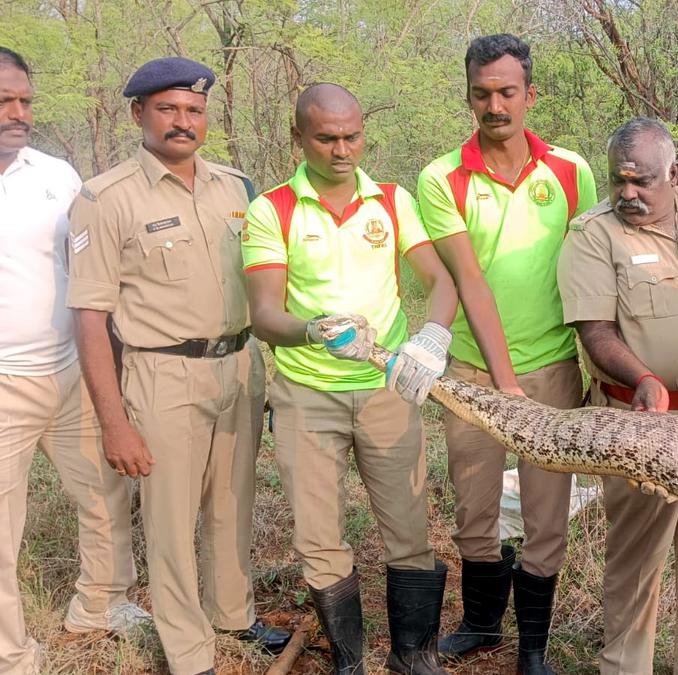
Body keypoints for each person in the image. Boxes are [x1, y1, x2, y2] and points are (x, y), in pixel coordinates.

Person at [66, 57, 289, 675]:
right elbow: (89, 315)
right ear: (138, 113)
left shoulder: (236, 188)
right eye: (167, 109)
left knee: (232, 503)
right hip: (162, 374)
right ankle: (190, 655)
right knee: (169, 522)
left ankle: (234, 617)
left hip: (240, 364)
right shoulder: (104, 198)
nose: (182, 122)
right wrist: (115, 424)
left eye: (194, 110)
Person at [243, 83, 458, 675]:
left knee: (409, 528)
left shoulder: (391, 201)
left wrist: (431, 338)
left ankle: (413, 656)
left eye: (352, 136)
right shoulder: (273, 209)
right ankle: (348, 661)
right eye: (326, 138)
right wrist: (312, 330)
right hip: (306, 395)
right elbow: (264, 314)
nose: (343, 150)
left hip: (387, 388)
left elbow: (440, 282)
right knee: (319, 537)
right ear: (298, 138)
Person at [415, 33, 596, 674]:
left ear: (530, 94)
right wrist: (502, 383)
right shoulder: (441, 177)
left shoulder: (571, 171)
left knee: (548, 513)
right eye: (482, 94)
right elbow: (469, 281)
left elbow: (588, 275)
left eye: (507, 92)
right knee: (475, 508)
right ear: (469, 97)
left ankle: (534, 648)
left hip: (554, 367)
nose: (495, 107)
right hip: (472, 371)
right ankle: (482, 624)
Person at [557, 117, 678, 675]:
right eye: (619, 181)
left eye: (642, 182)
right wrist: (645, 379)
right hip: (643, 429)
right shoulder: (593, 233)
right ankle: (624, 666)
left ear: (674, 175)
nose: (628, 194)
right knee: (636, 561)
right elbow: (596, 331)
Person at [0, 46, 151, 675]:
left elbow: (94, 271)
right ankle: (11, 655)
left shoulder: (55, 173)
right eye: (3, 102)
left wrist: (111, 367)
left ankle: (100, 602)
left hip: (70, 371)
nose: (17, 114)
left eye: (24, 101)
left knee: (105, 493)